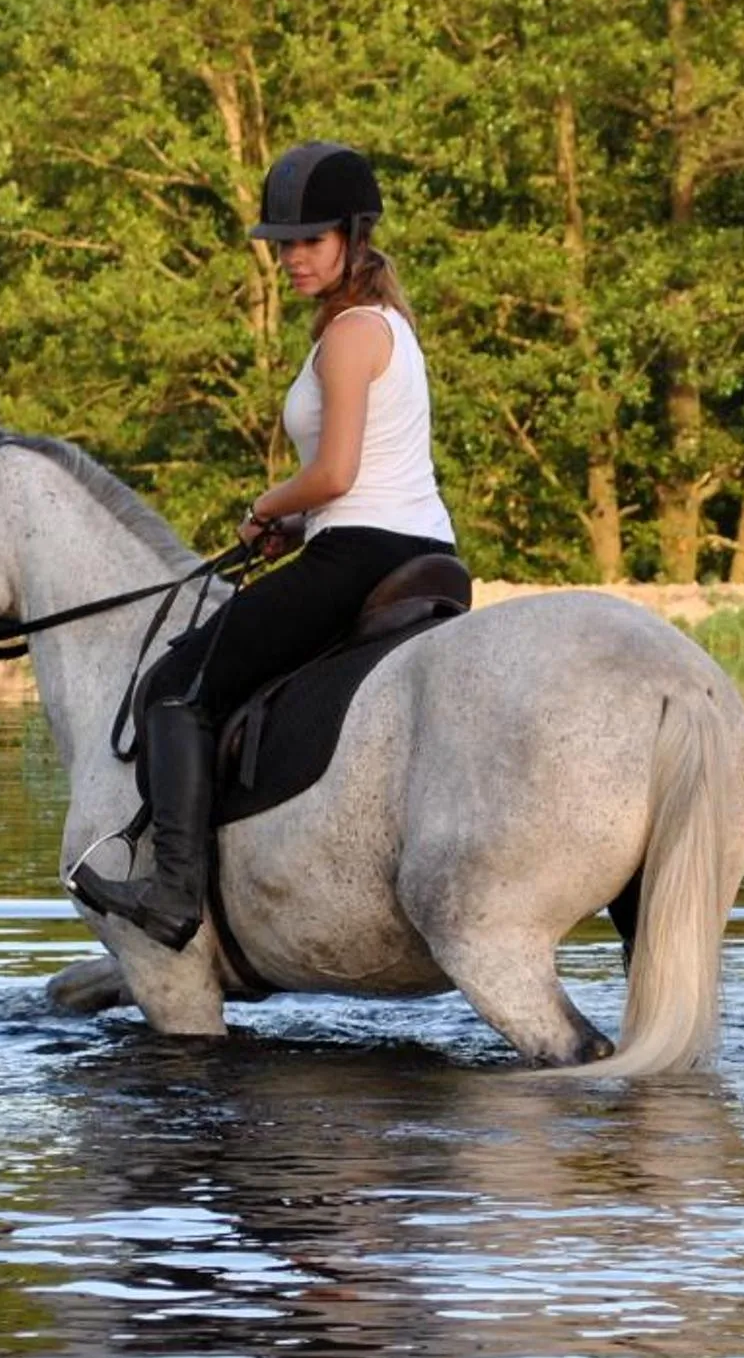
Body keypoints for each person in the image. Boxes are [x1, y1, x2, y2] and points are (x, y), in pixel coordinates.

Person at [67, 140, 459, 949]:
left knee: (175, 685)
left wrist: (265, 506)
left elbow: (336, 472)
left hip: (359, 555)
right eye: (283, 243)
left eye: (309, 240)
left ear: (353, 235)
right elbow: (371, 473)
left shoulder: (350, 333)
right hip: (416, 545)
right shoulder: (390, 326)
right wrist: (294, 526)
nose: (292, 257)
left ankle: (174, 892)